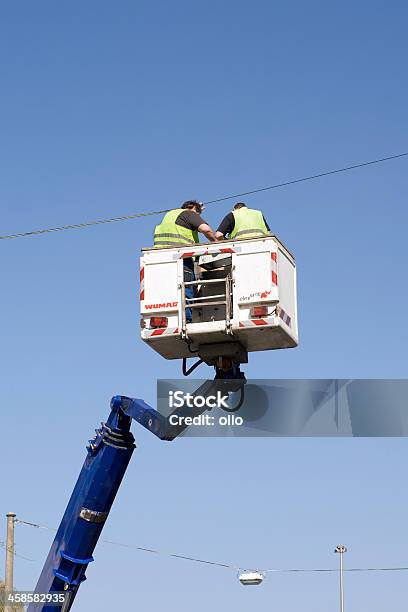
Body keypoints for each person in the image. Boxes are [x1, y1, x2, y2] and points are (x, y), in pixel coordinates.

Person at [153, 200, 217, 322]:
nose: (197, 217)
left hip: (160, 259)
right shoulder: (188, 213)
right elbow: (207, 230)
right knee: (186, 289)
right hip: (181, 258)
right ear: (192, 208)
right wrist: (217, 244)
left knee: (167, 290)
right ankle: (187, 320)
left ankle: (171, 318)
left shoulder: (169, 216)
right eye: (198, 213)